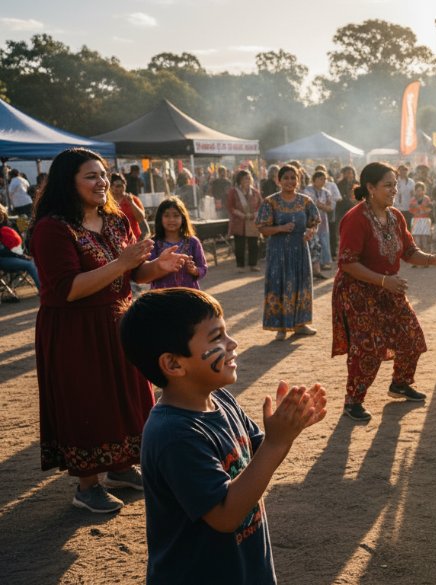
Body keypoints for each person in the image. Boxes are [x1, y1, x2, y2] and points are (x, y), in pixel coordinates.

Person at [120, 288, 327, 584]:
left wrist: (287, 426)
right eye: (217, 337)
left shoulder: (221, 399)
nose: (233, 343)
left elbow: (256, 455)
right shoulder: (173, 435)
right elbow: (224, 515)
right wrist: (277, 442)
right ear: (174, 364)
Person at [29, 147, 187, 513]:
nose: (101, 182)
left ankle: (122, 467)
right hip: (75, 329)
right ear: (68, 182)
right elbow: (66, 289)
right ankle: (87, 486)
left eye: (103, 174)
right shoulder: (52, 228)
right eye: (90, 176)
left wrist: (157, 266)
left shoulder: (116, 220)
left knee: (129, 396)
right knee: (88, 400)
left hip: (120, 322)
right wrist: (123, 263)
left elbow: (133, 273)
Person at [332, 162, 436, 422]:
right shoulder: (355, 218)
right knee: (368, 347)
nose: (394, 190)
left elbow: (408, 252)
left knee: (412, 337)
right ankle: (353, 400)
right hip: (357, 290)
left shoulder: (396, 216)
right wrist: (384, 281)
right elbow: (347, 262)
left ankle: (400, 383)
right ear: (370, 187)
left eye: (395, 184)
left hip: (388, 287)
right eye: (388, 185)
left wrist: (432, 259)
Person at [255, 165, 320, 341]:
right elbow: (262, 229)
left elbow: (314, 222)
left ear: (298, 180)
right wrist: (280, 228)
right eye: (286, 178)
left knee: (301, 284)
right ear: (279, 180)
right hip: (278, 251)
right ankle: (280, 327)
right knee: (280, 284)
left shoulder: (305, 201)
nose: (290, 181)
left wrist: (310, 232)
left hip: (300, 249)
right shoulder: (270, 202)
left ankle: (301, 324)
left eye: (293, 178)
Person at [148, 197, 206, 290]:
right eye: (166, 215)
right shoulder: (152, 244)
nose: (171, 220)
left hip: (188, 295)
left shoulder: (193, 242)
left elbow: (203, 268)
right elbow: (147, 273)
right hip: (161, 297)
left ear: (183, 218)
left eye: (176, 215)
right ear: (160, 218)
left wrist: (194, 270)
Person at [226, 169, 263, 273]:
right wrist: (241, 214)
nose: (247, 180)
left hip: (252, 221)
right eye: (245, 178)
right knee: (239, 245)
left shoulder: (255, 192)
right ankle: (240, 266)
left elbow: (261, 205)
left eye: (248, 178)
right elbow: (230, 206)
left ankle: (253, 264)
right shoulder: (233, 192)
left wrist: (255, 214)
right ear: (240, 180)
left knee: (253, 244)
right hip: (239, 221)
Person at [304, 170, 338, 280]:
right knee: (312, 241)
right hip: (310, 219)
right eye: (320, 179)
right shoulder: (307, 190)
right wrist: (322, 206)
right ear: (314, 179)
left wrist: (321, 206)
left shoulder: (326, 192)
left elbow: (331, 206)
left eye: (324, 179)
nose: (323, 181)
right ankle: (312, 267)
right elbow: (310, 204)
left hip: (323, 219)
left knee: (323, 240)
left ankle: (323, 263)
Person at [0, 203, 39, 289]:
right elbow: (3, 251)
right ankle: (44, 292)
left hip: (12, 255)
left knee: (35, 261)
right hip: (3, 259)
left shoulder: (4, 225)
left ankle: (47, 290)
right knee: (30, 265)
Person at [409, 182, 433, 253]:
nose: (419, 192)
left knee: (425, 241)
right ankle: (418, 258)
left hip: (425, 221)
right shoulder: (412, 200)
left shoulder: (427, 199)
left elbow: (430, 209)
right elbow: (410, 209)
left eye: (421, 190)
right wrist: (419, 209)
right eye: (417, 190)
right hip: (416, 220)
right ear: (415, 191)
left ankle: (426, 259)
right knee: (417, 241)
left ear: (424, 190)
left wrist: (423, 210)